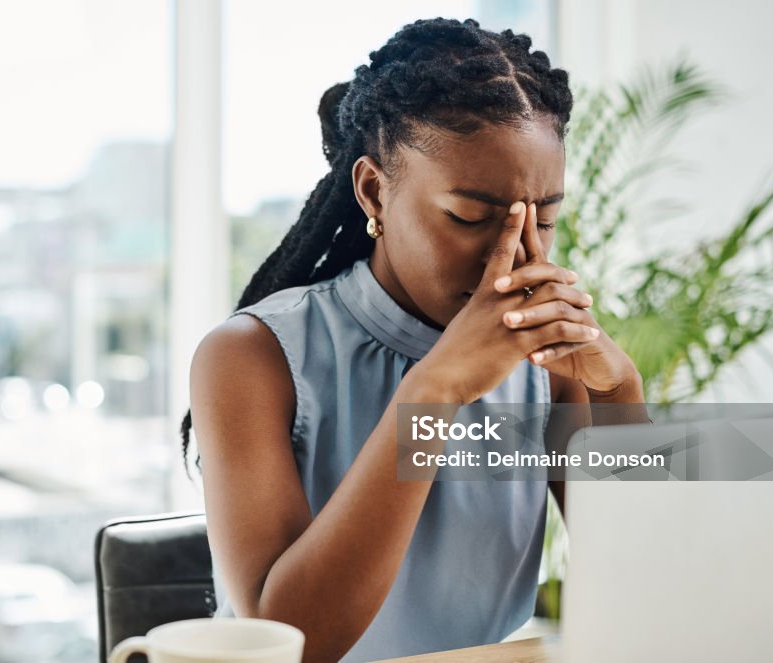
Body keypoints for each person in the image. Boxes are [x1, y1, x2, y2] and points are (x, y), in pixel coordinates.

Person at [182, 17, 645, 663]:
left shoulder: (545, 361)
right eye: (470, 217)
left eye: (545, 219)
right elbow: (295, 642)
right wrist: (435, 389)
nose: (514, 259)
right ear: (375, 189)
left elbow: (648, 579)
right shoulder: (252, 357)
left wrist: (620, 390)